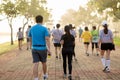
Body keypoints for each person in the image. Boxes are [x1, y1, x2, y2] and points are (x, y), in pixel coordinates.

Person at [28, 15, 51, 80]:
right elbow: (47, 39)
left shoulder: (32, 28)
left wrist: (31, 46)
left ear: (36, 20)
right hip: (43, 48)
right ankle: (45, 75)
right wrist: (49, 49)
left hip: (34, 48)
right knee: (44, 62)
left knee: (36, 63)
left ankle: (36, 78)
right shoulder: (44, 28)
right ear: (42, 20)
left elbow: (30, 38)